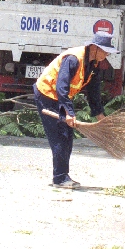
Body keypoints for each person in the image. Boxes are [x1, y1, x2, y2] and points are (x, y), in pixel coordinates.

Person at [33, 32, 119, 189]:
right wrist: (69, 112)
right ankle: (59, 178)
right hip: (47, 95)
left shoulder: (93, 64)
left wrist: (99, 115)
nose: (107, 54)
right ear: (95, 48)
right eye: (105, 50)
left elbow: (94, 91)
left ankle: (63, 176)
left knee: (68, 137)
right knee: (60, 136)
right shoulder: (73, 59)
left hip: (60, 97)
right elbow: (61, 87)